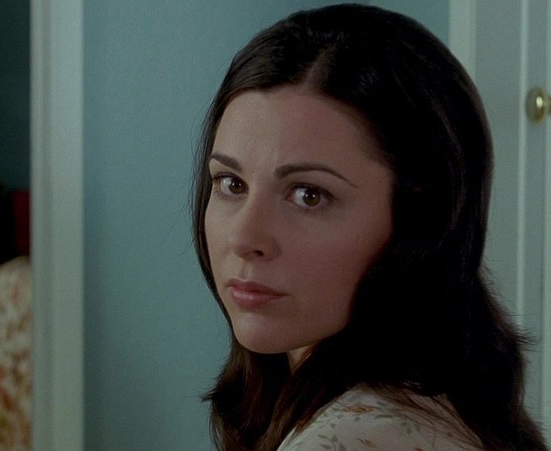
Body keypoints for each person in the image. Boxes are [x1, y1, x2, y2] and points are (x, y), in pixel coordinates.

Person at [192, 4, 548, 450]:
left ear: (419, 216)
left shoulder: (352, 438)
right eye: (231, 184)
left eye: (309, 195)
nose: (245, 238)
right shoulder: (431, 404)